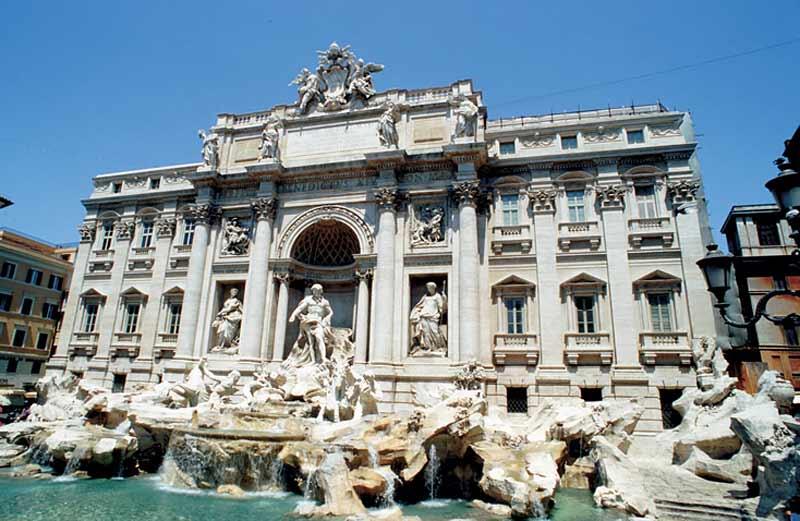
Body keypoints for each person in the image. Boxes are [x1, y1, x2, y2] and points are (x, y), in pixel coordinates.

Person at [285, 284, 333, 367]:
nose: (316, 292)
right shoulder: (308, 300)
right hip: (308, 321)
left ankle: (323, 358)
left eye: (318, 290)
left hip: (318, 322)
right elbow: (299, 309)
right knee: (310, 342)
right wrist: (293, 315)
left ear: (321, 291)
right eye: (314, 290)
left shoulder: (325, 302)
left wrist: (327, 318)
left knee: (319, 338)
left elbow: (331, 312)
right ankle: (313, 360)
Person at [410, 282, 448, 356]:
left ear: (434, 288)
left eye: (430, 288)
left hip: (433, 317)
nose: (429, 289)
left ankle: (438, 347)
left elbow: (442, 309)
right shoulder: (425, 297)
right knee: (425, 333)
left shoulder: (438, 296)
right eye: (428, 288)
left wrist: (445, 300)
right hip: (423, 316)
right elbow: (419, 306)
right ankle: (428, 348)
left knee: (435, 332)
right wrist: (417, 313)